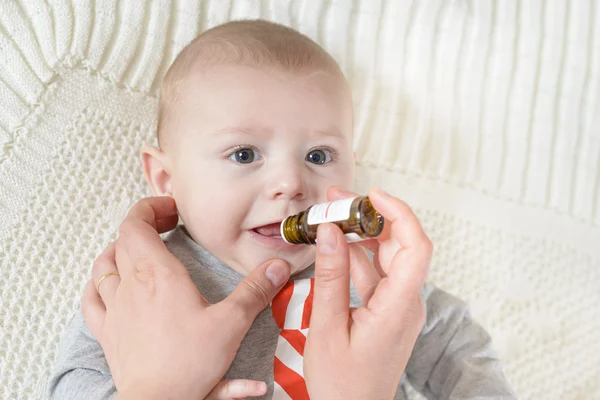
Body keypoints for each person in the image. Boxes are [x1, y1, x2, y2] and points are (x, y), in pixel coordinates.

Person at [48, 20, 516, 399]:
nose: (292, 184)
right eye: (245, 155)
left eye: (318, 156)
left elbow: (453, 341)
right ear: (167, 179)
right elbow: (72, 383)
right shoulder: (148, 284)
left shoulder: (369, 277)